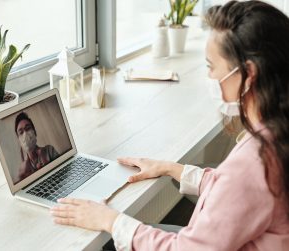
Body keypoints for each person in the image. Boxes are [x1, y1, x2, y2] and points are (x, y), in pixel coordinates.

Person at [50, 1, 289, 250]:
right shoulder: (277, 133)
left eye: (211, 67)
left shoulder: (254, 162)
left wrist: (109, 220)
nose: (209, 77)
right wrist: (171, 168)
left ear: (248, 75)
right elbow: (239, 195)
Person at [15, 112, 59, 182]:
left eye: (28, 128)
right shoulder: (23, 169)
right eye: (21, 132)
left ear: (35, 132)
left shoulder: (49, 150)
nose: (25, 134)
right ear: (19, 140)